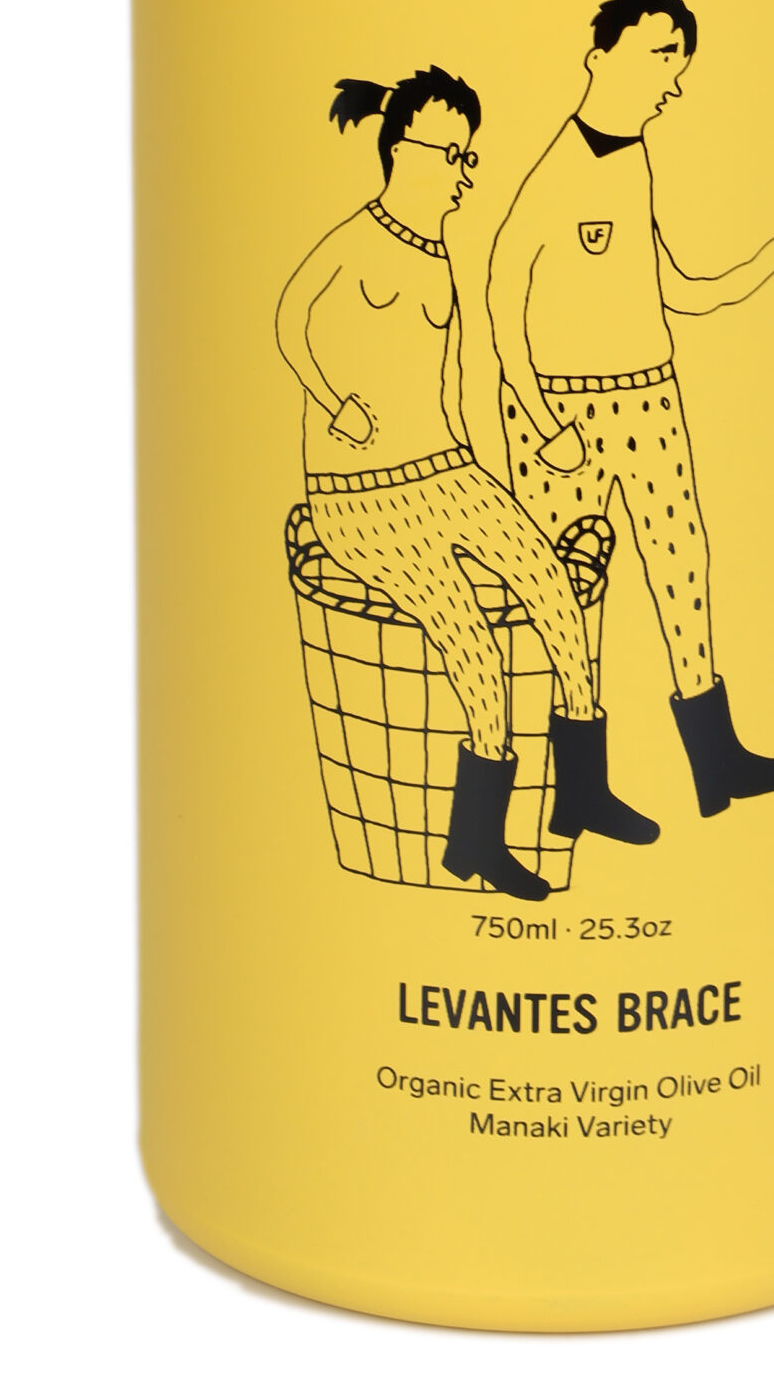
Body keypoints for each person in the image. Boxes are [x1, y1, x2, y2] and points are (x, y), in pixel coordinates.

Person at [487, 0, 774, 817]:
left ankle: (716, 763)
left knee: (681, 565)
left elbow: (694, 291)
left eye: (681, 62)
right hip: (564, 414)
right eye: (662, 56)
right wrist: (545, 423)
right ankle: (578, 790)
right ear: (601, 59)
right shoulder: (555, 174)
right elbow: (500, 301)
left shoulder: (633, 164)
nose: (675, 80)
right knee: (570, 592)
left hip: (649, 398)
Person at [275, 66, 657, 900]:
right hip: (361, 493)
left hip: (446, 473)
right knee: (472, 639)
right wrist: (333, 403)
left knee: (556, 594)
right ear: (401, 151)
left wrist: (495, 470)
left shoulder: (444, 256)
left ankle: (581, 793)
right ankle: (475, 840)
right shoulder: (352, 243)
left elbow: (452, 383)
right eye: (452, 154)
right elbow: (288, 321)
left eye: (467, 156)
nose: (462, 173)